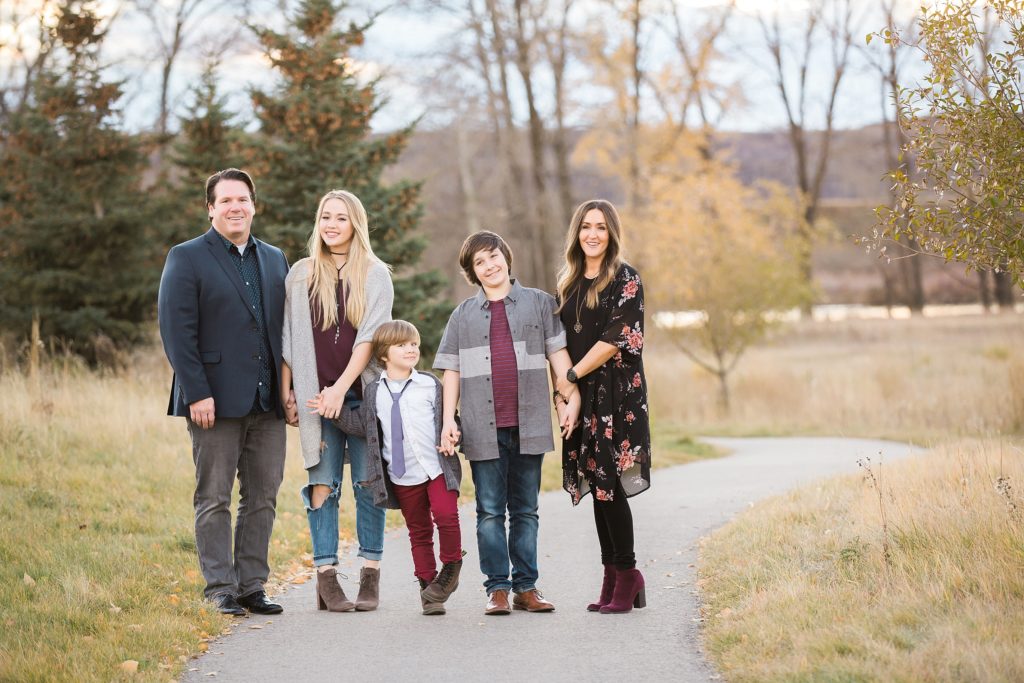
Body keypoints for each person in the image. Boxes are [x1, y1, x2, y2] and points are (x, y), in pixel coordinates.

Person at [158, 168, 290, 616]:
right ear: (210, 207)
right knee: (213, 497)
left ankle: (252, 585)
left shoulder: (274, 258)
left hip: (267, 401)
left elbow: (283, 331)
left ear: (254, 205)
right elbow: (177, 331)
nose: (236, 207)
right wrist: (196, 392)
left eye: (243, 199)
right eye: (226, 200)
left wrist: (287, 390)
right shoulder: (187, 256)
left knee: (263, 496)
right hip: (211, 401)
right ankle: (220, 587)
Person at [433, 230, 579, 616]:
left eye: (494, 256)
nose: (490, 265)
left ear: (507, 258)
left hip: (528, 423)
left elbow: (559, 359)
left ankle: (526, 587)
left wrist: (568, 398)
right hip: (482, 428)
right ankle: (497, 588)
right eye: (480, 262)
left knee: (526, 511)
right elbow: (450, 371)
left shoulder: (540, 304)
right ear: (473, 272)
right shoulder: (462, 315)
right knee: (490, 512)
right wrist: (449, 419)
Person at [281, 189, 393, 612]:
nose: (331, 225)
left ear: (355, 224)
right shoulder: (301, 274)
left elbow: (370, 339)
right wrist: (287, 394)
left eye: (341, 218)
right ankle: (326, 577)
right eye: (325, 217)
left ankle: (370, 574)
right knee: (322, 486)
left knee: (368, 485)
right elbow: (289, 339)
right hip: (314, 400)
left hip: (361, 398)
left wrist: (341, 389)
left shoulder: (375, 274)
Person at [325, 320, 464, 615]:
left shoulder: (430, 384)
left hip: (436, 467)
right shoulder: (374, 391)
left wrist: (453, 434)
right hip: (402, 475)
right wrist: (332, 410)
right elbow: (362, 425)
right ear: (383, 354)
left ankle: (451, 567)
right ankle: (429, 591)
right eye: (402, 345)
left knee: (446, 515)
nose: (411, 349)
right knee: (419, 531)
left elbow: (450, 420)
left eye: (414, 343)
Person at [555, 199, 651, 614]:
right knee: (598, 487)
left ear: (612, 234)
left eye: (601, 227)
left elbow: (616, 339)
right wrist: (567, 396)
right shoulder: (569, 282)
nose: (592, 234)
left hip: (616, 396)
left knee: (610, 484)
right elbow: (559, 345)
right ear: (576, 233)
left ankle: (628, 574)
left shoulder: (625, 278)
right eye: (585, 227)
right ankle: (613, 574)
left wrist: (572, 378)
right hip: (582, 395)